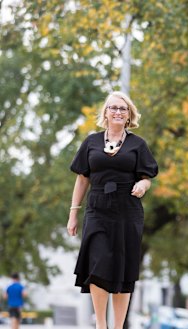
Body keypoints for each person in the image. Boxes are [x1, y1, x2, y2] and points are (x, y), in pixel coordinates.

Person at [67, 91, 158, 329]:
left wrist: (142, 185)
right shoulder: (91, 142)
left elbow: (147, 177)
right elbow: (82, 179)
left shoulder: (138, 144)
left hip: (127, 210)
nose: (118, 112)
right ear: (105, 113)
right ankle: (101, 324)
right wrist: (73, 214)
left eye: (123, 109)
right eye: (113, 108)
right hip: (97, 208)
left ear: (129, 115)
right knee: (97, 263)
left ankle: (117, 327)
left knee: (123, 267)